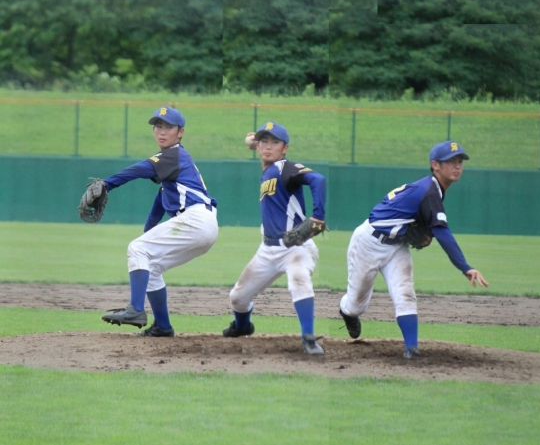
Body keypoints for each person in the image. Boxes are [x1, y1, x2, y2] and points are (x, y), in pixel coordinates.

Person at [338, 140, 489, 358]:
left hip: (396, 246)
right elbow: (443, 234)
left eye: (460, 161)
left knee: (405, 294)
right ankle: (347, 312)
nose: (457, 165)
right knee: (356, 306)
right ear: (435, 165)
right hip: (368, 243)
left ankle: (411, 348)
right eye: (450, 161)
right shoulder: (430, 191)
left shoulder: (431, 189)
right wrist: (465, 267)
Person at [100, 106, 219, 337]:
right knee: (151, 267)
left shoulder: (173, 155)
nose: (162, 131)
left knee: (137, 249)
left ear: (180, 132)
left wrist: (107, 184)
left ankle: (136, 310)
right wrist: (148, 231)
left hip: (195, 219)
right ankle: (163, 327)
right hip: (203, 225)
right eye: (158, 126)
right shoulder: (172, 166)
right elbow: (159, 202)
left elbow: (140, 169)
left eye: (169, 127)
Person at [223, 121, 326, 354]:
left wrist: (318, 215)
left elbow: (318, 180)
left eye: (275, 142)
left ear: (285, 148)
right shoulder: (268, 167)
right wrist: (255, 143)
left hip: (296, 246)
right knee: (238, 297)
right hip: (267, 250)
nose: (269, 146)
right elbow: (261, 146)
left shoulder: (284, 167)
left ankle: (308, 337)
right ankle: (242, 327)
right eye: (265, 141)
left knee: (299, 278)